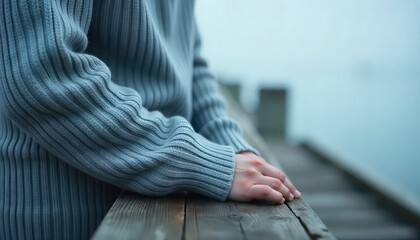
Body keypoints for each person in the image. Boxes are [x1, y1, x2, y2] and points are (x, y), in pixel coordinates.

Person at [0, 0, 300, 239]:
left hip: (168, 196)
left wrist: (231, 146)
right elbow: (42, 78)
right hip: (72, 213)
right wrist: (201, 161)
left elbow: (189, 59)